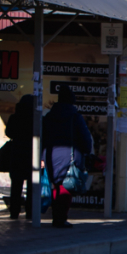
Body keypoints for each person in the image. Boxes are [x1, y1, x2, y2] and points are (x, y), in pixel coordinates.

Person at [42, 89, 93, 228]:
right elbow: (85, 137)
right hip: (70, 155)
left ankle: (56, 216)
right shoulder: (75, 117)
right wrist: (87, 151)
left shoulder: (49, 116)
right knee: (67, 185)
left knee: (55, 184)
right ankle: (60, 218)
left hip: (50, 154)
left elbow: (42, 136)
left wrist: (42, 155)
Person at [5, 94, 35, 220]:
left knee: (16, 186)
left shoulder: (15, 117)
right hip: (31, 154)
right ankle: (30, 213)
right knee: (32, 186)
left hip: (16, 154)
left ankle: (14, 212)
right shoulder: (35, 117)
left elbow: (8, 133)